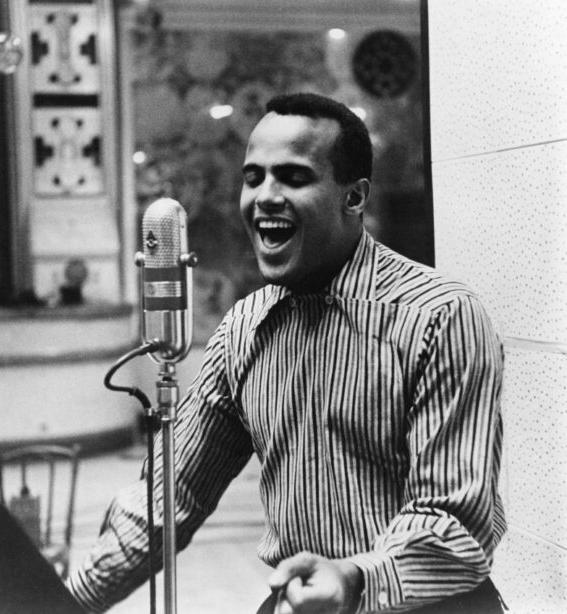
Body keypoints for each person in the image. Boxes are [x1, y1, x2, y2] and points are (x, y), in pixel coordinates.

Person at [67, 93, 506, 613]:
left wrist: (352, 578)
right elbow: (169, 498)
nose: (264, 197)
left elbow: (456, 521)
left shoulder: (441, 317)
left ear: (354, 196)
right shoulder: (243, 330)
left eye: (293, 178)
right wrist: (58, 602)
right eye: (253, 178)